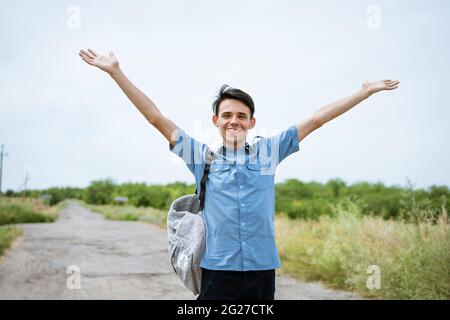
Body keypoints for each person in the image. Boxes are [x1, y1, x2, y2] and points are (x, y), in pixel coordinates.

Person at [79, 48, 399, 300]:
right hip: (218, 271)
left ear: (251, 123)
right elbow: (155, 118)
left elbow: (317, 119)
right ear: (216, 121)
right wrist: (117, 74)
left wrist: (364, 92)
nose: (234, 121)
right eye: (227, 115)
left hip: (262, 270)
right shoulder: (201, 158)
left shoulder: (269, 152)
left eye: (241, 116)